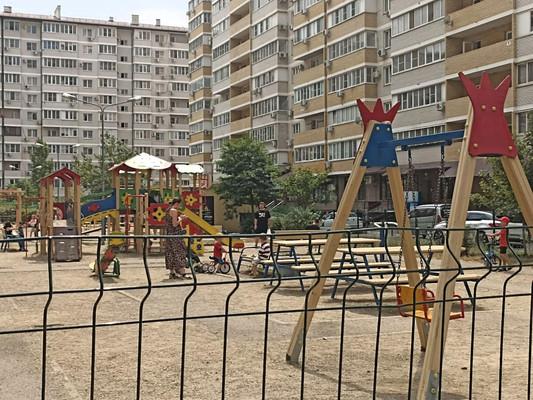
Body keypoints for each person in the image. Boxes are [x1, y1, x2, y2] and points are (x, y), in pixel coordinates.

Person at [164, 198, 191, 279]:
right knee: (180, 252)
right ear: (177, 203)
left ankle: (172, 273)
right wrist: (181, 218)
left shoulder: (167, 210)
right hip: (175, 235)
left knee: (171, 253)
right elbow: (174, 224)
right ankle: (182, 273)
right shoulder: (174, 211)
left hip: (169, 235)